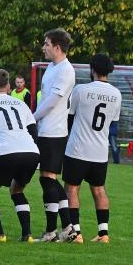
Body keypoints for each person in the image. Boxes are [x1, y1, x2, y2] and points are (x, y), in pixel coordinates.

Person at [63, 53, 122, 244]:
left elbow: (69, 117)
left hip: (78, 149)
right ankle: (103, 233)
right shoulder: (116, 94)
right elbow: (113, 124)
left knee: (72, 189)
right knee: (99, 190)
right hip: (99, 151)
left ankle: (77, 233)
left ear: (92, 70)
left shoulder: (81, 90)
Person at [0, 69, 40, 242]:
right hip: (31, 152)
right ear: (9, 86)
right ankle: (27, 234)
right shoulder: (21, 104)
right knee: (17, 190)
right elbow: (34, 132)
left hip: (6, 151)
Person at [32, 28, 77, 242]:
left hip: (55, 131)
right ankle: (65, 227)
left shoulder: (66, 70)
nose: (44, 48)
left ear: (57, 47)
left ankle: (56, 230)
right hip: (46, 129)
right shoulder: (52, 67)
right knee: (47, 179)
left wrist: (32, 117)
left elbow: (52, 102)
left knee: (48, 178)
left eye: (46, 44)